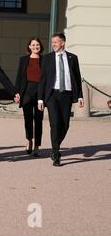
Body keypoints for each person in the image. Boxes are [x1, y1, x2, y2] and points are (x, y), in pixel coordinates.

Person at [38, 33, 84, 167]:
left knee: (65, 124)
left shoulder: (73, 58)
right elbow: (42, 80)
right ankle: (56, 153)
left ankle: (56, 145)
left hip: (67, 95)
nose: (53, 45)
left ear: (62, 43)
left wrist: (80, 96)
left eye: (55, 42)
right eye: (52, 42)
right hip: (52, 94)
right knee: (55, 123)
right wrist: (40, 99)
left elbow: (77, 78)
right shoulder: (47, 58)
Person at [15, 37, 44, 157]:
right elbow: (19, 77)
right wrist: (16, 93)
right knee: (27, 119)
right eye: (33, 45)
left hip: (40, 93)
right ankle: (29, 140)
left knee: (38, 120)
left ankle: (37, 145)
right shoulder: (23, 60)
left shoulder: (45, 60)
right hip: (26, 92)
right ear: (29, 46)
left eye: (37, 45)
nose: (35, 47)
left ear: (40, 46)